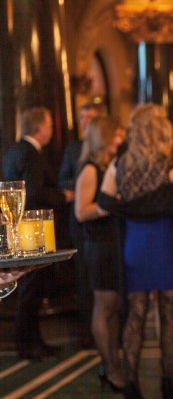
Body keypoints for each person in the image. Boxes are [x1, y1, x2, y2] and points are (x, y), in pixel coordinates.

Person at [99, 103, 173, 399]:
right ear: (161, 130)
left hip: (135, 242)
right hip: (164, 242)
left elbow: (105, 202)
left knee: (136, 314)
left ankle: (132, 386)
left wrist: (132, 209)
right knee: (169, 314)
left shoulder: (118, 165)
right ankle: (168, 381)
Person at [2, 106, 73, 360]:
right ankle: (27, 345)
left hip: (21, 227)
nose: (52, 131)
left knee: (31, 287)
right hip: (31, 228)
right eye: (50, 125)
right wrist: (62, 196)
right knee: (31, 288)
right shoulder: (30, 153)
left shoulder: (14, 150)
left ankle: (34, 342)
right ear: (39, 127)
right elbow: (32, 194)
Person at [74, 116, 126, 392]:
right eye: (116, 135)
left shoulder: (108, 166)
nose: (120, 139)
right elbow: (81, 211)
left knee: (114, 306)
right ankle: (109, 366)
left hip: (112, 242)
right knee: (104, 306)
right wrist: (107, 207)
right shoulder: (91, 169)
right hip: (99, 245)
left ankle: (113, 362)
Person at [59, 102, 107, 347]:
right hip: (81, 223)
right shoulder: (74, 148)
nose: (86, 121)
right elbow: (63, 180)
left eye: (91, 117)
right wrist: (81, 186)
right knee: (84, 278)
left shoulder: (110, 149)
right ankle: (87, 333)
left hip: (107, 224)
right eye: (83, 117)